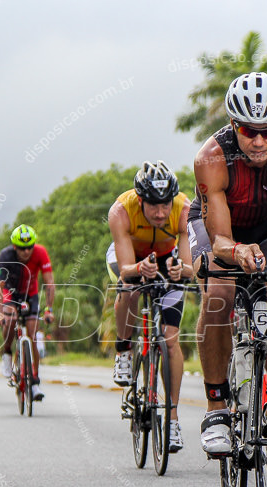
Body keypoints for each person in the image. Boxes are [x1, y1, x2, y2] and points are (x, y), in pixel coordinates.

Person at [191, 72, 267, 474]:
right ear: (233, 125)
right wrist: (237, 251)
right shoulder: (211, 158)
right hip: (219, 231)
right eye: (249, 131)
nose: (259, 142)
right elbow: (222, 239)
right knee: (219, 296)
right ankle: (215, 407)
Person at [107, 160, 193, 452]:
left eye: (165, 205)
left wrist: (182, 270)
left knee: (170, 339)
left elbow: (189, 266)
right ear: (140, 200)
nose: (160, 213)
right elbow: (125, 268)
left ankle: (173, 419)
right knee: (129, 288)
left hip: (167, 257)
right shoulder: (121, 211)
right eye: (153, 206)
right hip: (131, 257)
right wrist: (138, 268)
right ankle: (123, 350)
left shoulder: (184, 210)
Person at [0, 224, 55, 401]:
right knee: (10, 317)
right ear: (14, 246)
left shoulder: (40, 252)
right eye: (22, 248)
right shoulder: (5, 256)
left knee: (33, 334)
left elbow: (49, 283)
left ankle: (34, 381)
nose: (26, 251)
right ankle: (7, 351)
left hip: (31, 294)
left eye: (30, 247)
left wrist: (49, 309)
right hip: (10, 293)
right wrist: (0, 312)